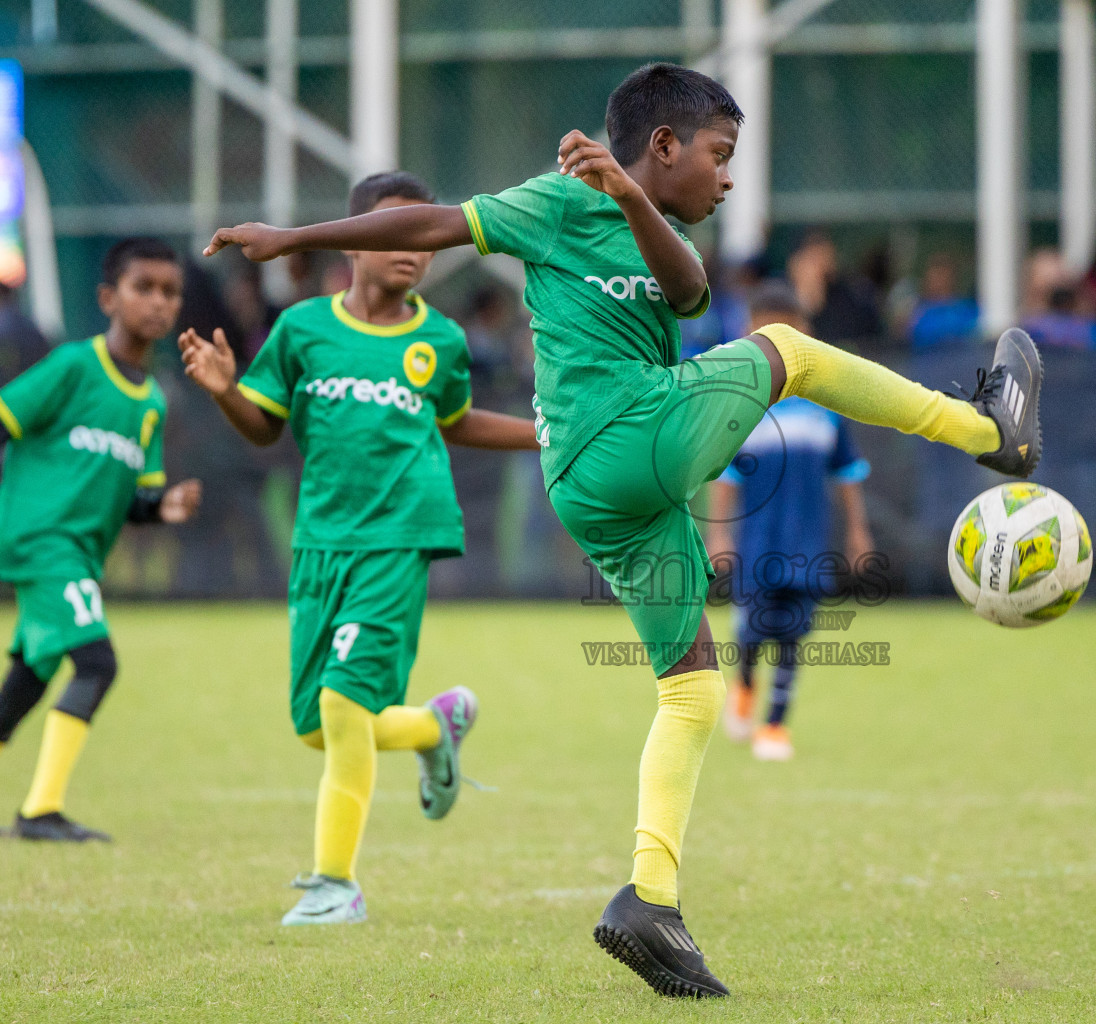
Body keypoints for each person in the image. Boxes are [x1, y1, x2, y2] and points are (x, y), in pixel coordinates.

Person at [202, 62, 1041, 997]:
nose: (727, 177)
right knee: (791, 350)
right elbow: (428, 225)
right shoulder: (554, 203)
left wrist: (634, 194)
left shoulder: (660, 222)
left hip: (607, 487)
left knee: (689, 693)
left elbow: (686, 295)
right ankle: (988, 429)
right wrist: (295, 237)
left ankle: (651, 902)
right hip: (617, 437)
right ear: (666, 143)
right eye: (721, 156)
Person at [179, 172, 539, 926]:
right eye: (393, 230)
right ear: (355, 240)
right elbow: (264, 427)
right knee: (315, 725)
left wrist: (546, 432)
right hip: (320, 542)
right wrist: (222, 388)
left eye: (422, 235)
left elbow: (459, 420)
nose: (412, 248)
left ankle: (334, 886)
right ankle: (431, 726)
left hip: (400, 538)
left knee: (343, 705)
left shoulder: (439, 339)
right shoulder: (304, 330)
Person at [0, 238, 202, 841]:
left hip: (74, 556)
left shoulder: (150, 400)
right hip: (42, 542)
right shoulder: (74, 365)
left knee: (27, 680)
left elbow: (135, 498)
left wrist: (163, 506)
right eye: (142, 287)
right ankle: (40, 812)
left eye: (169, 292)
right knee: (98, 662)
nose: (157, 302)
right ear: (108, 297)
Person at [704, 281, 873, 762]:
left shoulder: (827, 405)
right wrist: (718, 534)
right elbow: (726, 476)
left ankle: (775, 726)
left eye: (786, 329)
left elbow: (847, 472)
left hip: (806, 540)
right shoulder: (741, 402)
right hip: (757, 541)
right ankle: (743, 683)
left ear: (805, 332)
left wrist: (858, 531)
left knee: (795, 635)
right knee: (753, 630)